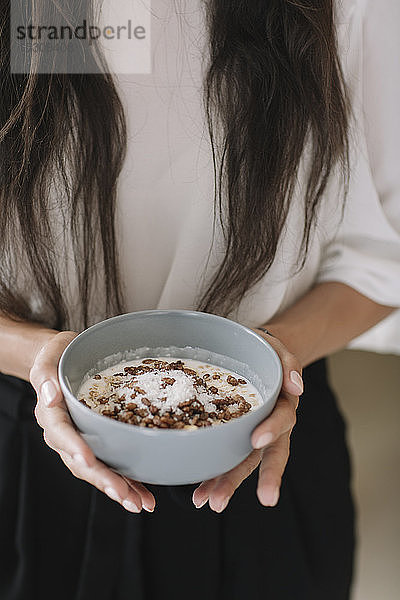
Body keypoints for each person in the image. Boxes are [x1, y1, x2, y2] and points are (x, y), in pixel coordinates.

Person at [1, 0, 399, 599]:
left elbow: (381, 255)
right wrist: (41, 358)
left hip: (265, 444)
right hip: (25, 452)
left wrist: (277, 356)